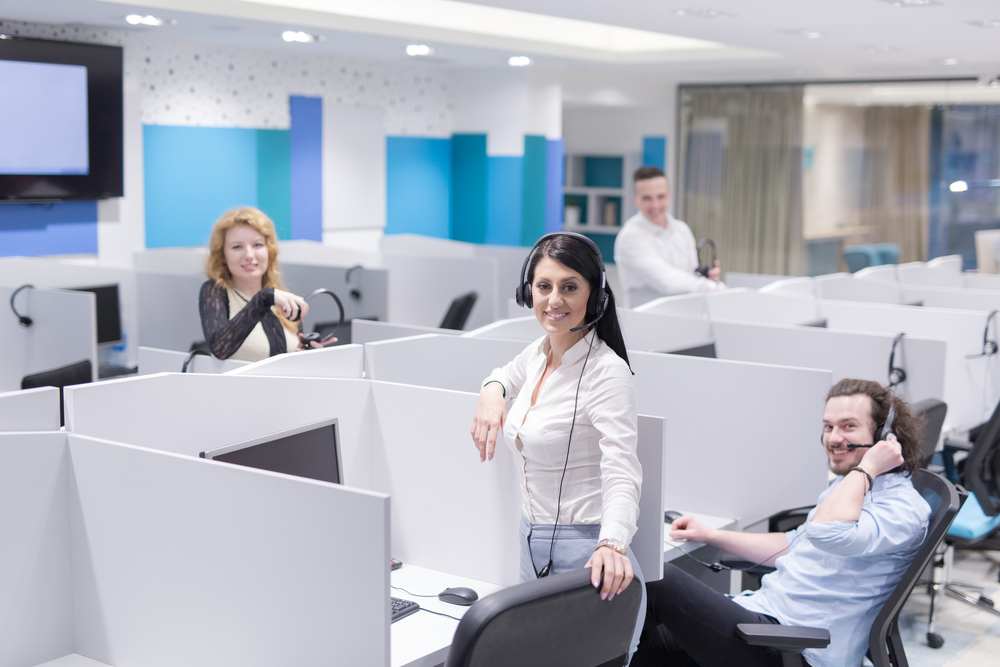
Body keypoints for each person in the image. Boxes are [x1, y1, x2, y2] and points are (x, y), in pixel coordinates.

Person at [631, 378, 931, 667]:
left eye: (848, 426)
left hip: (799, 648)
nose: (833, 438)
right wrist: (710, 535)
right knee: (638, 644)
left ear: (884, 437)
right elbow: (793, 544)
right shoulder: (850, 490)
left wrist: (866, 468)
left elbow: (825, 531)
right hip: (762, 619)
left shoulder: (902, 509)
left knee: (656, 581)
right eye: (828, 427)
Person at [470, 232, 646, 656]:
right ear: (526, 290)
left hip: (588, 554)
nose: (554, 300)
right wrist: (492, 392)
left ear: (595, 295)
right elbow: (503, 372)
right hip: (530, 543)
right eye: (543, 286)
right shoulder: (538, 353)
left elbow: (622, 469)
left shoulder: (607, 373)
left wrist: (612, 543)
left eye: (570, 287)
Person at [199, 206, 332, 362]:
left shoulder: (282, 299)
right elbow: (220, 348)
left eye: (257, 245)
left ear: (269, 250)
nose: (249, 255)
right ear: (222, 255)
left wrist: (304, 354)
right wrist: (264, 298)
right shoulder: (215, 291)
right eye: (237, 247)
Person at [614, 166, 724, 307]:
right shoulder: (630, 238)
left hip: (685, 315)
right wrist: (715, 288)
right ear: (635, 200)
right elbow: (668, 281)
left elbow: (691, 275)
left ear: (670, 195)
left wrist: (707, 279)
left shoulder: (682, 229)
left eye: (661, 196)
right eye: (647, 198)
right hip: (646, 323)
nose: (655, 205)